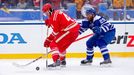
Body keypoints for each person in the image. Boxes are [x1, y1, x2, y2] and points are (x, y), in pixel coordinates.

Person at [42, 3, 80, 68]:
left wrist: (48, 40)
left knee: (52, 43)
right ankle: (62, 60)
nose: (45, 14)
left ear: (49, 10)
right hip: (73, 31)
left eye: (45, 12)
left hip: (69, 31)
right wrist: (49, 21)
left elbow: (56, 31)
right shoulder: (56, 13)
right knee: (61, 46)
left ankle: (56, 60)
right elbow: (59, 22)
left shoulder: (54, 18)